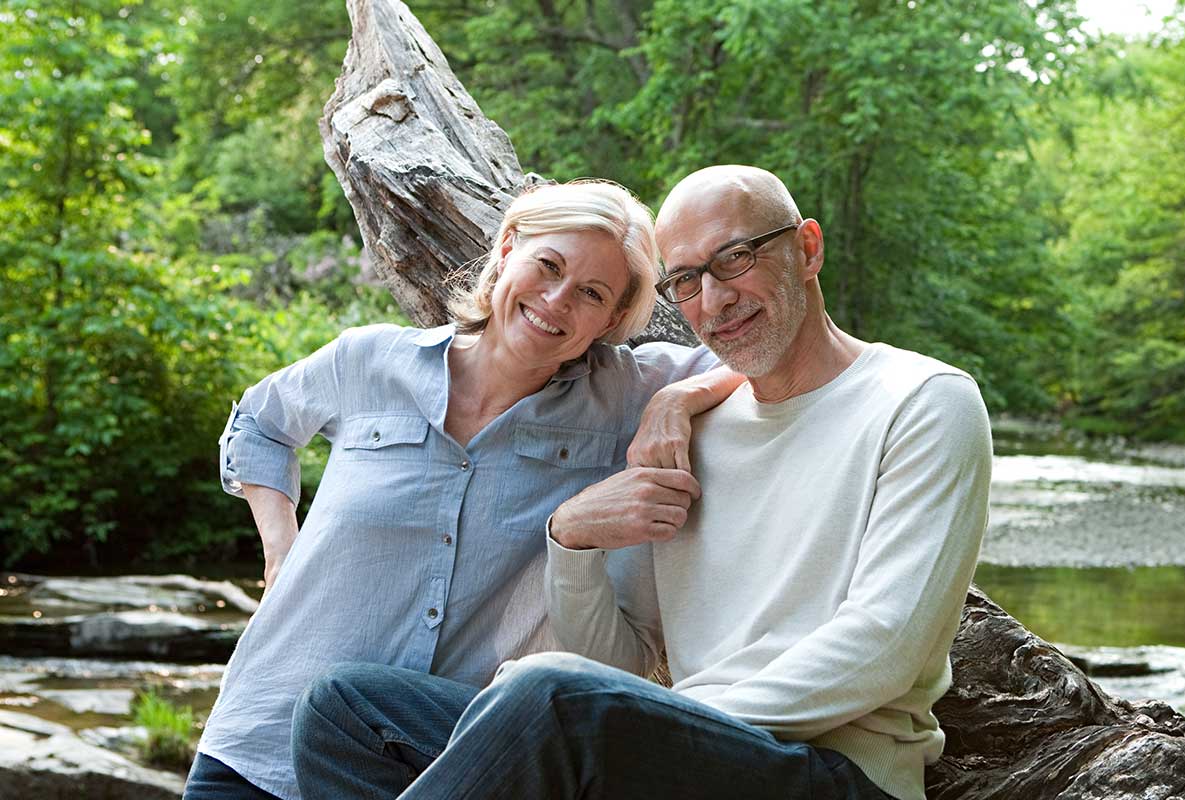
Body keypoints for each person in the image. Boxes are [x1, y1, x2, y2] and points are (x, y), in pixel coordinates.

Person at [290, 164, 993, 800]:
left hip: (831, 774)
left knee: (553, 698)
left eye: (736, 258)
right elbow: (624, 661)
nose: (714, 300)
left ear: (807, 248)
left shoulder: (921, 401)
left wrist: (639, 710)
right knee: (346, 708)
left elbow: (884, 647)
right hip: (678, 759)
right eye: (686, 280)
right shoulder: (694, 432)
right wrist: (570, 544)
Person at [186, 180, 741, 800]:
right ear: (508, 247)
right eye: (547, 265)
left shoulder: (618, 398)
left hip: (427, 761)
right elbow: (258, 424)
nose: (556, 301)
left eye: (591, 293)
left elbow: (759, 355)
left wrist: (676, 398)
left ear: (611, 320)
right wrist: (280, 551)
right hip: (261, 735)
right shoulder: (369, 361)